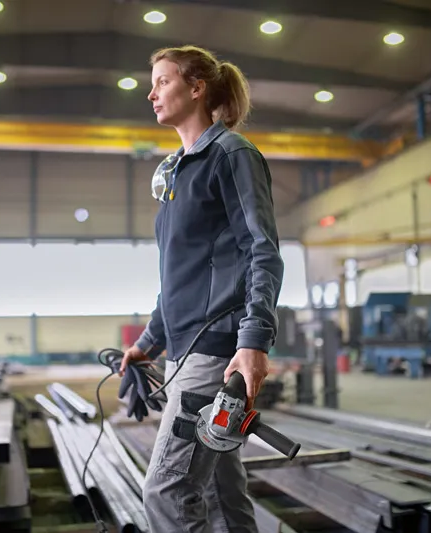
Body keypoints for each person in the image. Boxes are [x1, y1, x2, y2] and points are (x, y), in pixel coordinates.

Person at [119, 45, 284, 532]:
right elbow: (178, 276)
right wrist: (148, 342)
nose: (151, 93)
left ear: (197, 88)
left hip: (214, 356)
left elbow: (262, 250)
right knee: (219, 496)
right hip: (184, 352)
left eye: (162, 81)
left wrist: (254, 342)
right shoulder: (176, 172)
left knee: (167, 492)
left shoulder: (230, 155)